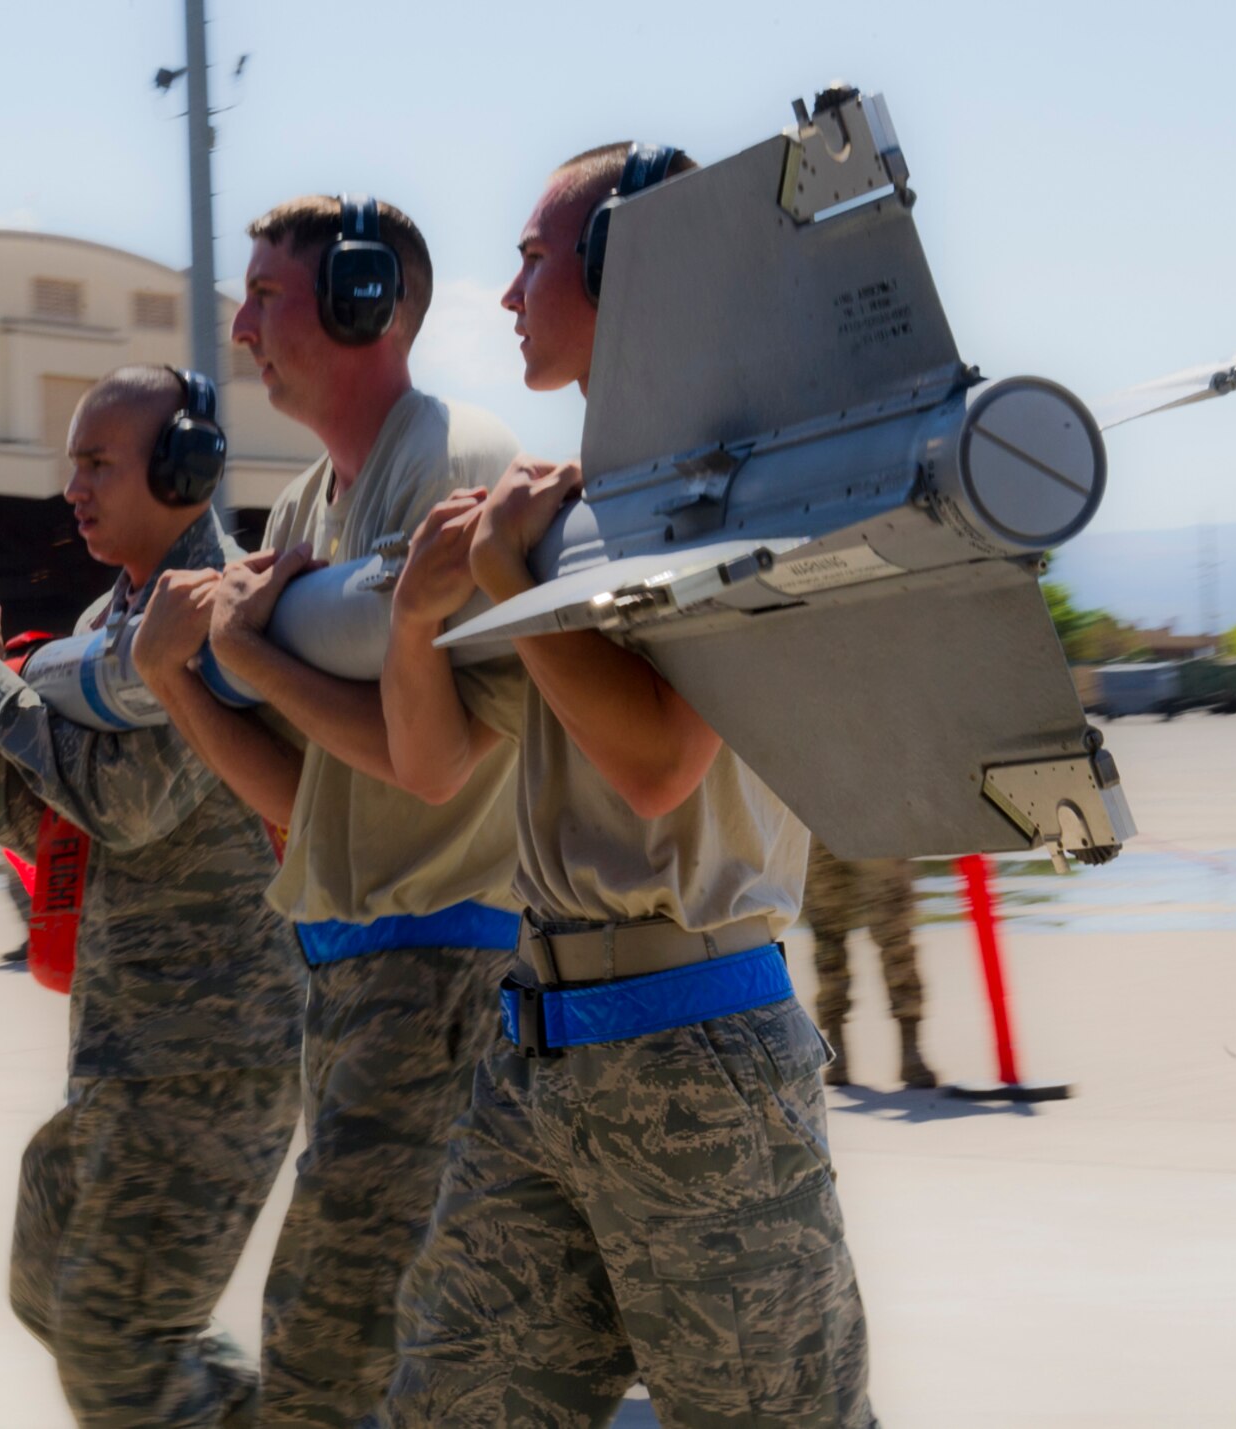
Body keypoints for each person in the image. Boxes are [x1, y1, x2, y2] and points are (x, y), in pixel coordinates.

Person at [379, 143, 874, 1427]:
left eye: (535, 261)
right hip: (537, 1044)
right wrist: (422, 610)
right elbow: (432, 764)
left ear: (628, 268)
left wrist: (503, 583)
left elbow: (658, 764)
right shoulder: (556, 513)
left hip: (695, 1057)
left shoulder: (740, 481)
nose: (506, 297)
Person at [133, 197, 527, 1425]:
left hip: (442, 964)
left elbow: (436, 764)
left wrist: (252, 662)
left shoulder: (449, 460)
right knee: (399, 1366)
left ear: (367, 301)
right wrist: (176, 680)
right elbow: (312, 805)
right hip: (351, 972)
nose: (242, 326)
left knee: (322, 1363)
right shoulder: (306, 509)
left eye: (267, 296)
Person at [0, 364, 305, 1428]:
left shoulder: (205, 614)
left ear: (183, 467)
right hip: (131, 1049)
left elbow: (128, 804)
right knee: (49, 1289)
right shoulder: (107, 618)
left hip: (214, 1053)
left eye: (98, 463)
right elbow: (45, 821)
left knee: (116, 1350)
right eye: (70, 463)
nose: (71, 487)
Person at [805, 841, 935, 1088]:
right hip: (815, 822)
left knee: (895, 933)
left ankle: (911, 1050)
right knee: (826, 934)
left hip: (877, 818)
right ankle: (837, 1050)